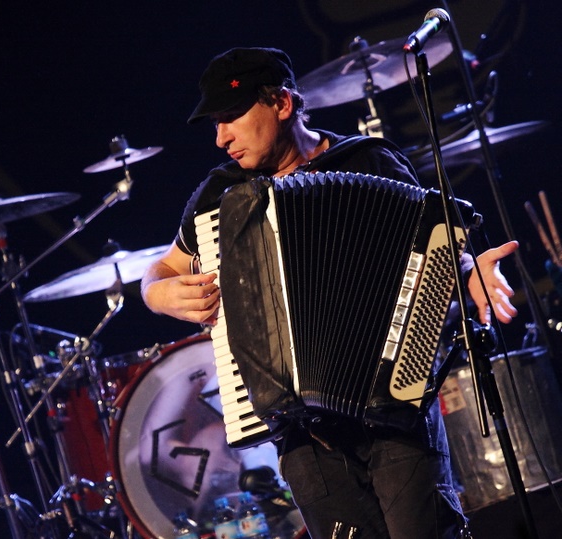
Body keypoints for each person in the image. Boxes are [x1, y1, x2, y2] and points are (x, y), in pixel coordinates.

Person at [140, 47, 519, 539]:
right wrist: (158, 295)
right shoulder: (220, 196)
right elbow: (163, 268)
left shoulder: (368, 161)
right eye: (215, 124)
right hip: (300, 434)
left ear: (281, 103)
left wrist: (471, 275)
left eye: (231, 117)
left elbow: (435, 248)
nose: (221, 138)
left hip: (394, 407)